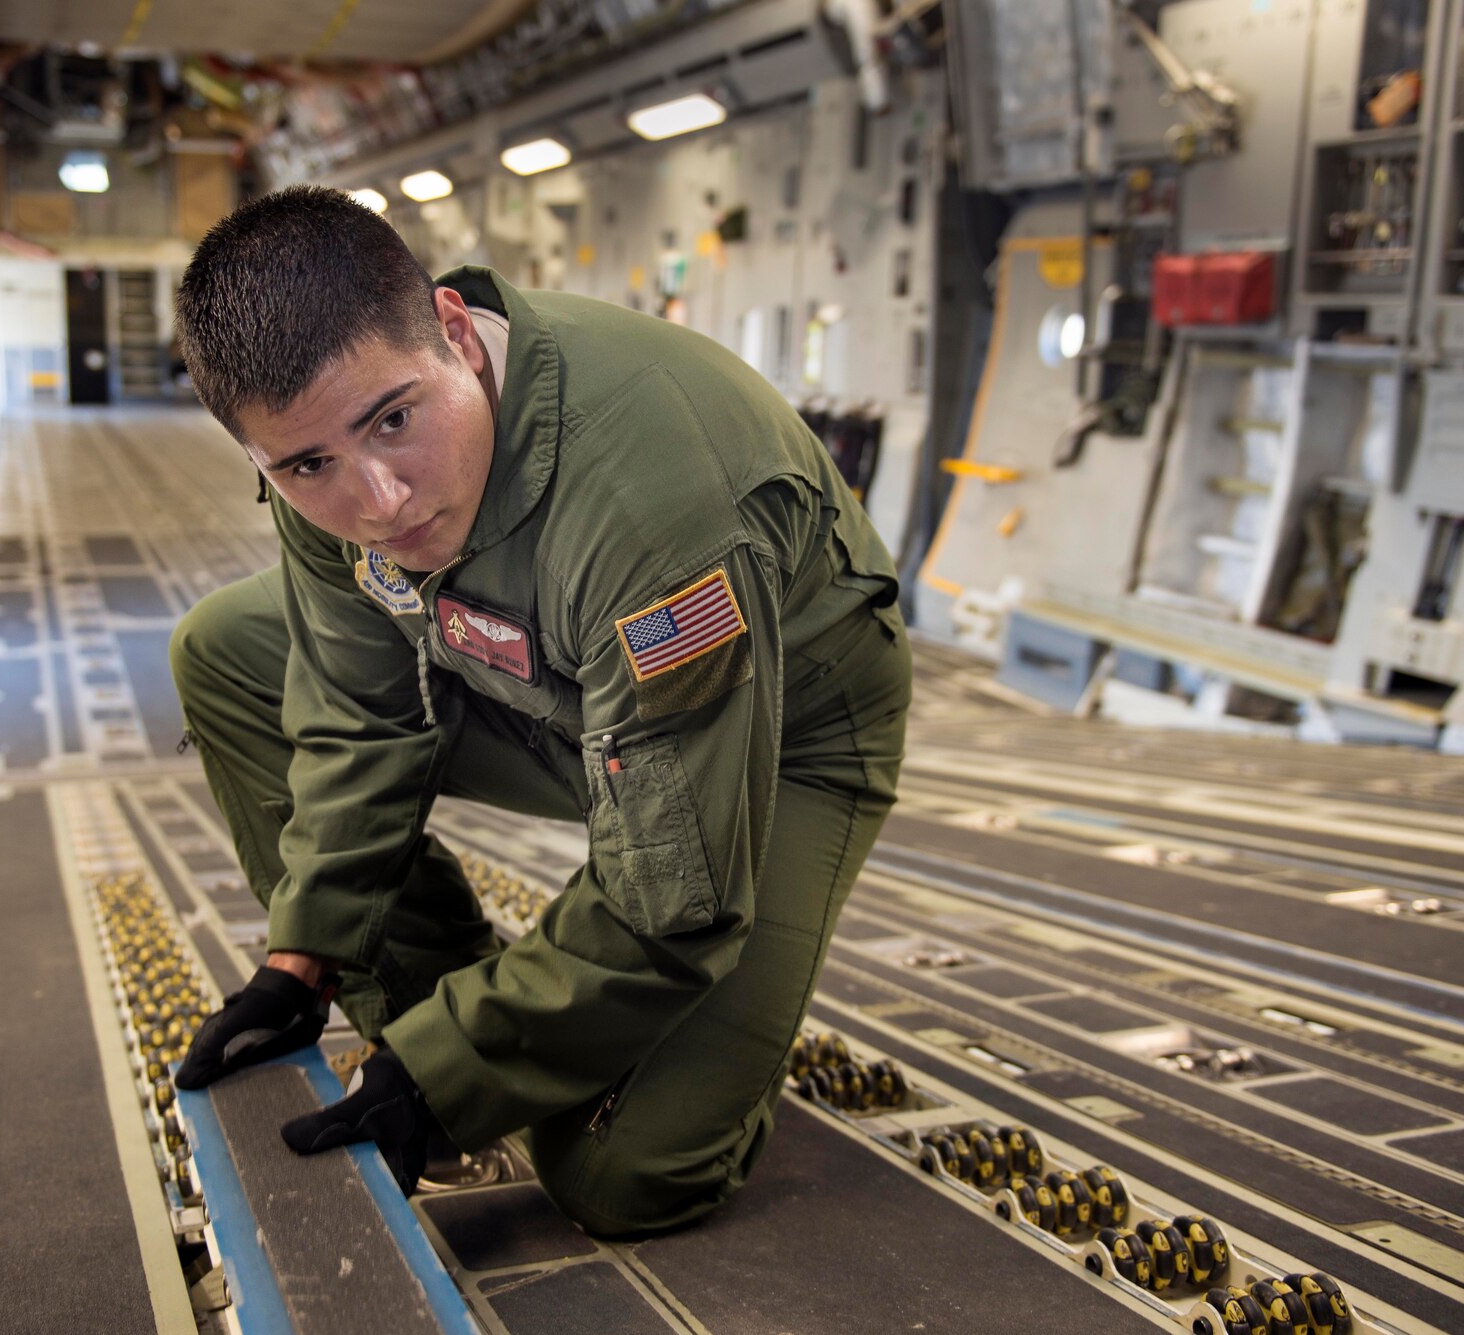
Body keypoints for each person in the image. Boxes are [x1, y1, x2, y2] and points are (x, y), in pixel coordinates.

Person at [168, 186, 910, 1237]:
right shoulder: (328, 476)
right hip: (537, 681)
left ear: (458, 338)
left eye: (394, 420)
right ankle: (450, 1007)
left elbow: (671, 896)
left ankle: (571, 1045)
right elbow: (355, 716)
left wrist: (446, 1077)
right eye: (307, 467)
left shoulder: (656, 511)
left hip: (777, 736)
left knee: (621, 1174)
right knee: (225, 649)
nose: (378, 501)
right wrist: (306, 956)